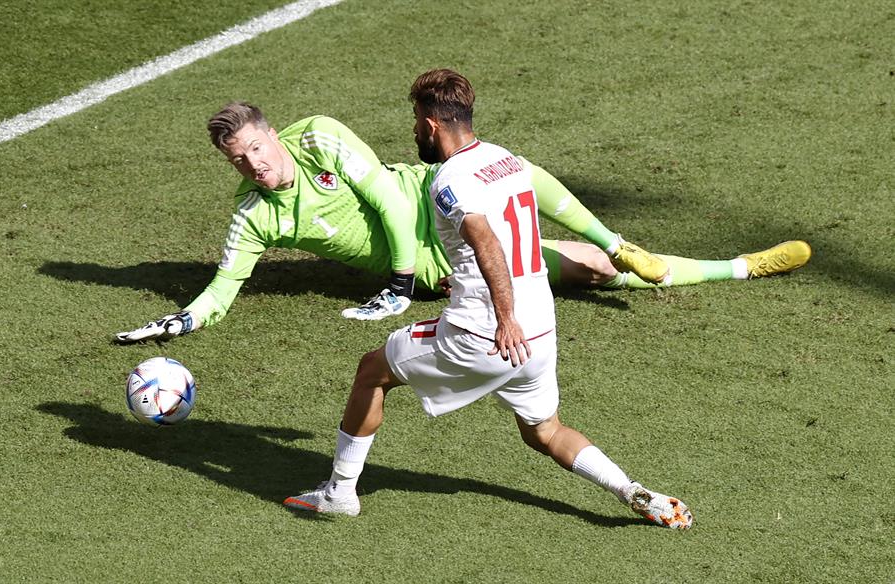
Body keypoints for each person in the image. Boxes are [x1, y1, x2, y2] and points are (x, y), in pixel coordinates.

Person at [283, 69, 693, 529]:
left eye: (416, 120)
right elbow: (505, 242)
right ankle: (631, 490)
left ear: (433, 123)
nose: (414, 130)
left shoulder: (447, 181)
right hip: (539, 332)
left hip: (487, 332)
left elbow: (486, 242)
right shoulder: (508, 160)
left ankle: (339, 493)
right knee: (545, 431)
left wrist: (504, 317)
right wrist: (470, 288)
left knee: (370, 371)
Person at [114, 98, 811, 342]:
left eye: (257, 149)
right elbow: (222, 288)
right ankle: (739, 267)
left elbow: (387, 201)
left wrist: (393, 283)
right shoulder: (254, 219)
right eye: (239, 161)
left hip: (429, 196)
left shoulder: (319, 136)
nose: (255, 166)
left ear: (273, 133)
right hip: (444, 264)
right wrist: (180, 321)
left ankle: (615, 237)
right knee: (594, 277)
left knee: (514, 170)